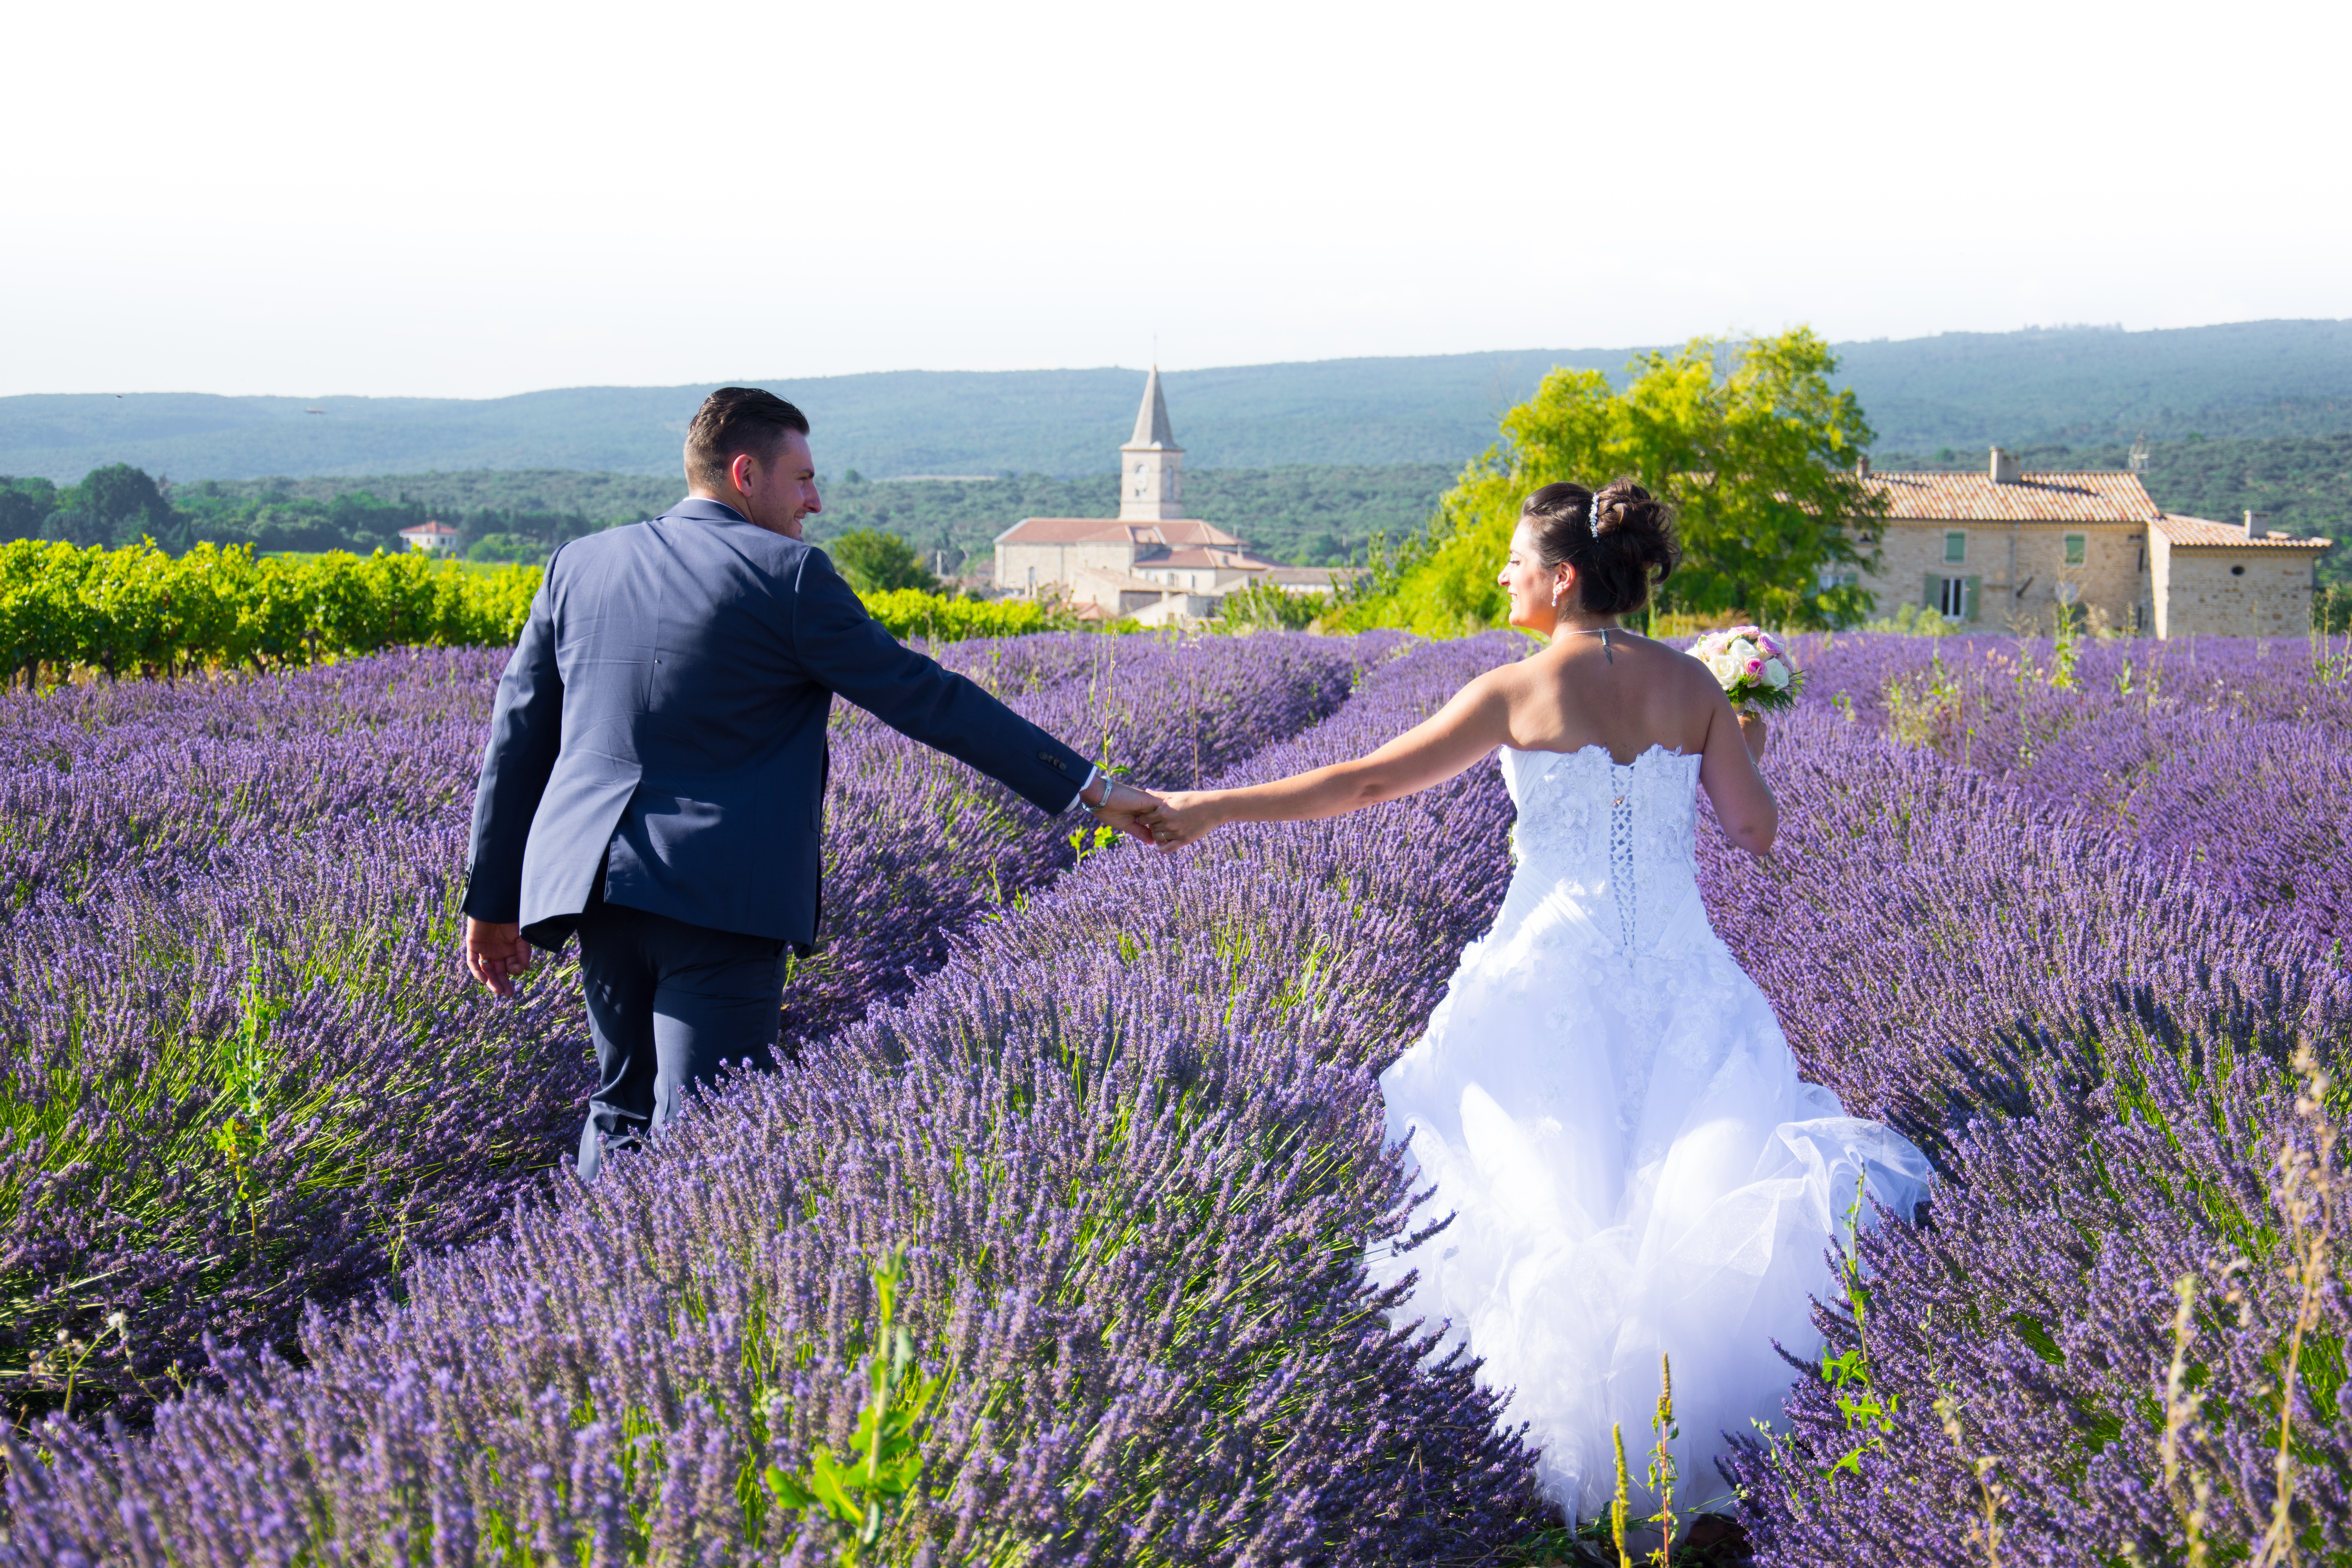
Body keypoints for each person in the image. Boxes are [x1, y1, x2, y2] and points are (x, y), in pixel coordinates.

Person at [1136, 479, 1931, 1521]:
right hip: (1683, 978)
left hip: (1546, 976)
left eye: (1517, 562)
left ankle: (1535, 1464)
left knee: (1535, 1195)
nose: (1503, 575)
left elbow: (1368, 783)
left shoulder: (1516, 690)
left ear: (1562, 580)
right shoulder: (1693, 686)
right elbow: (1754, 832)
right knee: (1681, 1194)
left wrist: (1208, 806)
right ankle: (1695, 1459)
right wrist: (1748, 735)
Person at [460, 387, 1160, 1179]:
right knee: (708, 1136)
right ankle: (671, 1298)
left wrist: (492, 904)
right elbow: (928, 697)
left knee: (621, 1108)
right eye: (802, 479)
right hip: (719, 893)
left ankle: (579, 1293)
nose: (817, 501)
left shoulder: (578, 564)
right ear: (745, 472)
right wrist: (1091, 789)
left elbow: (516, 735)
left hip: (592, 888)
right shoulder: (787, 575)